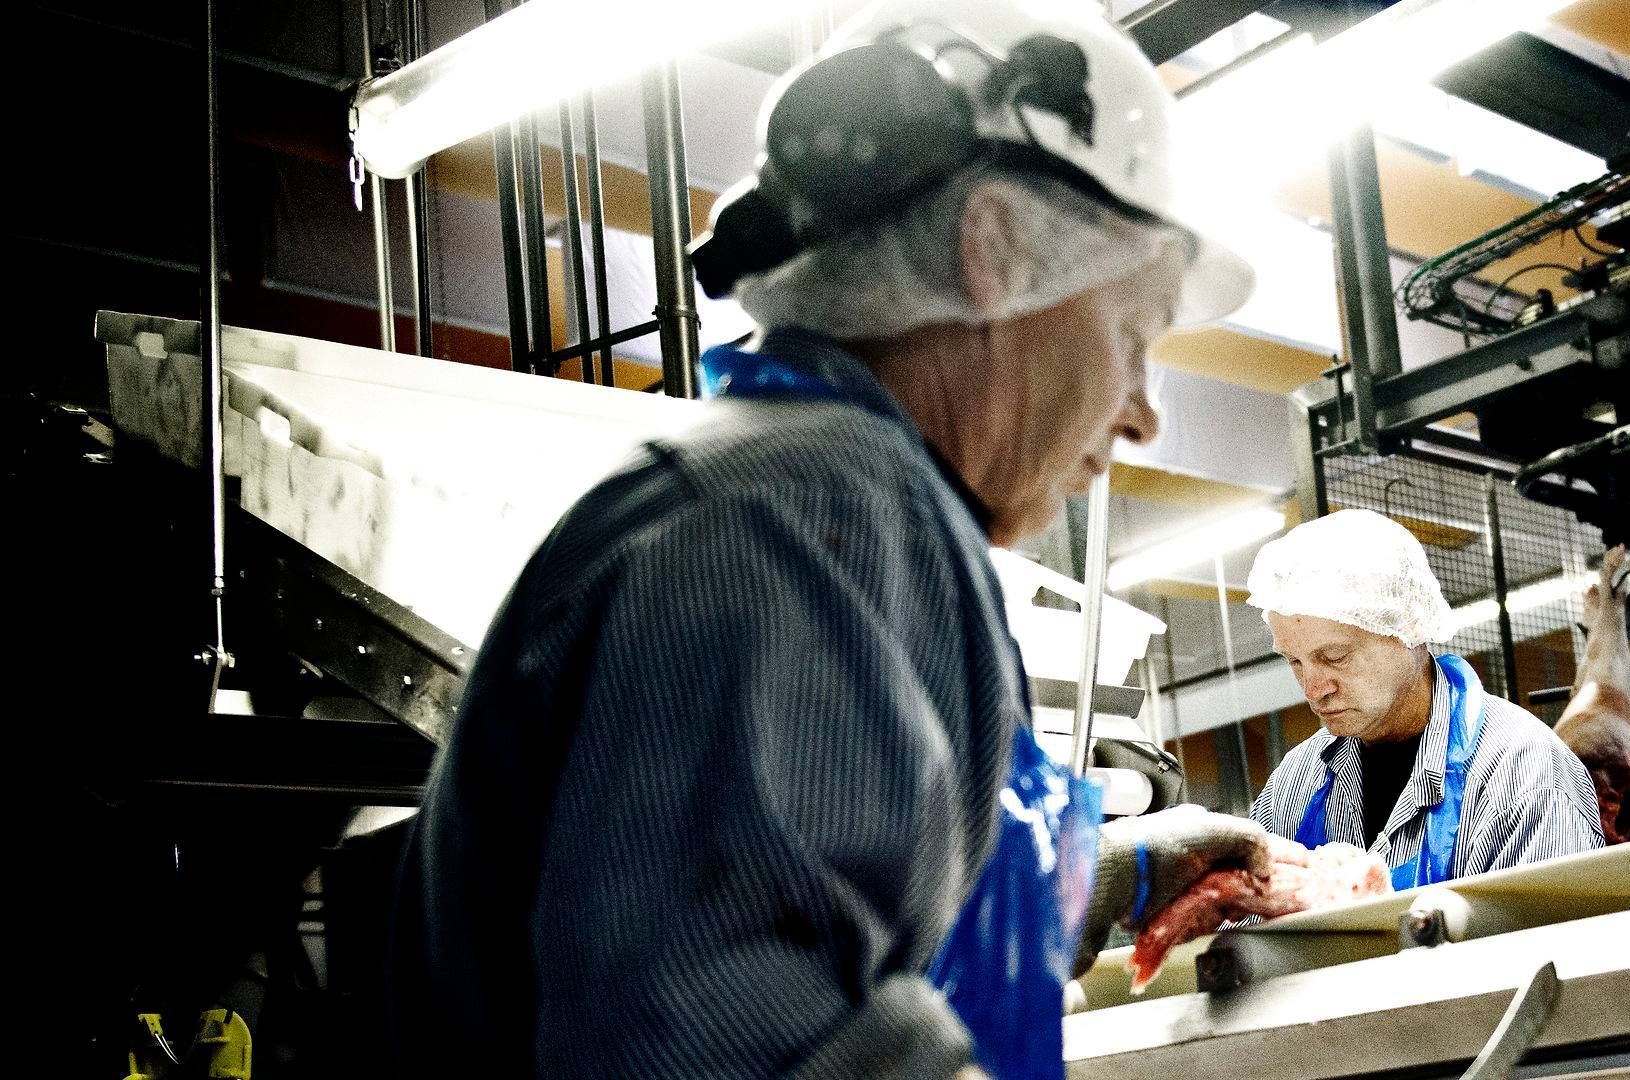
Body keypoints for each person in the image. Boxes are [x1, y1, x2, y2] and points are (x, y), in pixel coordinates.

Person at [391, 1, 1270, 1076]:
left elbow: (878, 903)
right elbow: (734, 1032)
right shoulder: (804, 519)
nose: (1145, 414)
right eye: (1134, 335)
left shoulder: (832, 499)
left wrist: (1131, 871)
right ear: (991, 249)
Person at [1245, 509, 1603, 888]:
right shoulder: (1294, 781)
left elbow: (1547, 937)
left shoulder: (1521, 771)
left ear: (1409, 629)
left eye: (1335, 657)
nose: (1314, 689)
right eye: (1295, 662)